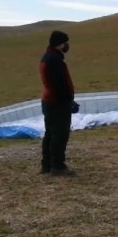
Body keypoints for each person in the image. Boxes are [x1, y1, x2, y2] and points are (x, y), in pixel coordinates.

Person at [39, 30, 79, 176]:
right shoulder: (54, 60)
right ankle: (57, 166)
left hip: (49, 101)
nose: (67, 45)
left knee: (50, 132)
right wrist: (68, 101)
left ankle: (47, 165)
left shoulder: (47, 57)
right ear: (59, 44)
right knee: (60, 134)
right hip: (57, 102)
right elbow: (59, 84)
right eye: (65, 42)